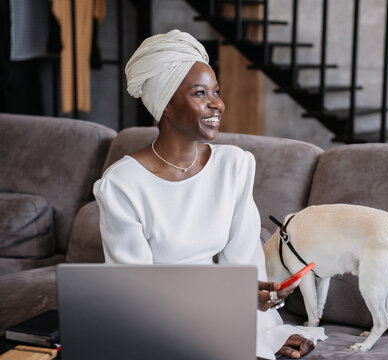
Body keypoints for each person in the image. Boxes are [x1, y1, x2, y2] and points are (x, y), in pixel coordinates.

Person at [93, 29, 326, 359]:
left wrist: (260, 307)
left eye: (216, 91)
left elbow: (245, 262)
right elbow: (136, 294)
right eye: (200, 93)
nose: (217, 103)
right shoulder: (121, 185)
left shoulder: (234, 165)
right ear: (166, 104)